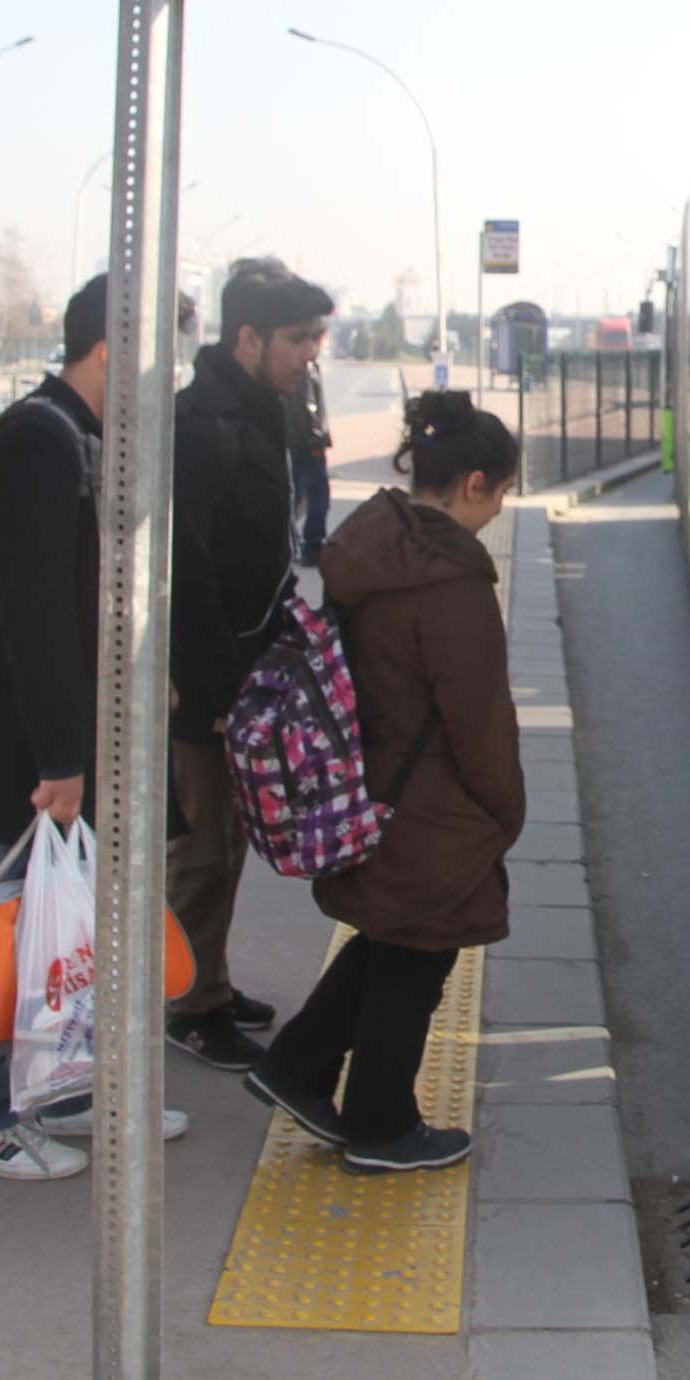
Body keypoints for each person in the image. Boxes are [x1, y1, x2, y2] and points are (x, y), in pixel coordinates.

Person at [0, 275, 191, 1178]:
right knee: (15, 929)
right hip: (32, 742)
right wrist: (62, 759)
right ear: (111, 353)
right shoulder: (36, 445)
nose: (171, 380)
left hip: (71, 735)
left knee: (73, 931)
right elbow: (39, 614)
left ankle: (65, 1089)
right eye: (162, 360)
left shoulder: (77, 433)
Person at [246, 390, 522, 1173]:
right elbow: (482, 722)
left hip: (370, 782)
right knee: (422, 952)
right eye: (500, 493)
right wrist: (506, 809)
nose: (498, 511)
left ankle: (297, 1066)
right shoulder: (453, 587)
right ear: (473, 483)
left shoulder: (371, 551)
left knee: (391, 938)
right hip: (435, 802)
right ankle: (379, 1124)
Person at [163, 258, 333, 1072]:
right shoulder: (201, 427)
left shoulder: (263, 409)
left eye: (317, 336)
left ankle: (210, 981)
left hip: (244, 664)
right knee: (201, 847)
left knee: (228, 840)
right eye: (299, 338)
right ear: (248, 337)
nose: (312, 353)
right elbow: (185, 570)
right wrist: (221, 685)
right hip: (206, 679)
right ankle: (186, 1004)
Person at [295, 355, 334, 564]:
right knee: (318, 493)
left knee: (294, 494)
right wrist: (316, 437)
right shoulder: (305, 366)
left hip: (290, 441)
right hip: (307, 443)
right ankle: (313, 545)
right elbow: (307, 404)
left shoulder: (282, 362)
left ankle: (292, 542)